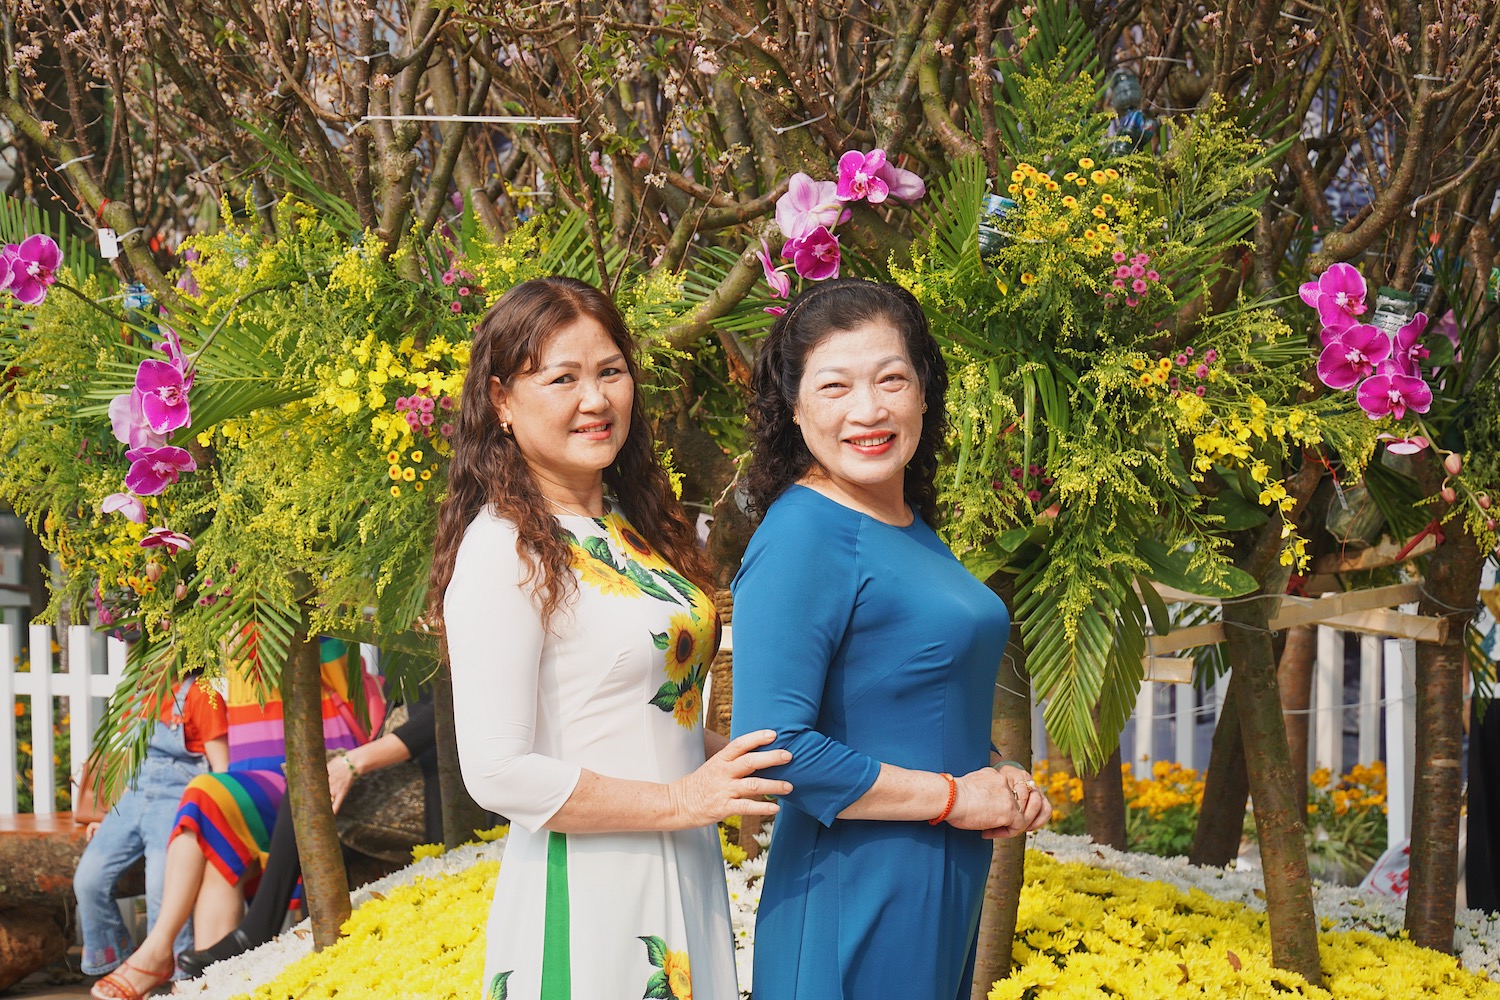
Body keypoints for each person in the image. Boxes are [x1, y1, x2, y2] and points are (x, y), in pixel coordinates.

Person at [434, 276, 788, 1000]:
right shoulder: (503, 549)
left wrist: (739, 767)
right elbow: (497, 771)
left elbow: (643, 715)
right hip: (589, 893)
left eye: (611, 372)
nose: (595, 400)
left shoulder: (632, 529)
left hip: (684, 867)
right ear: (502, 401)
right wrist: (682, 801)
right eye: (563, 378)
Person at [729, 278, 1052, 1000]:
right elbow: (773, 748)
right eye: (835, 386)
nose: (868, 410)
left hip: (937, 883)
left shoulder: (907, 525)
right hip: (854, 889)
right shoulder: (802, 535)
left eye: (891, 380)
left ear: (924, 393)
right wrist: (954, 798)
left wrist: (996, 773)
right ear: (794, 407)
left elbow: (906, 697)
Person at [90, 637, 378, 1000]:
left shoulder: (306, 619)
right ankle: (207, 987)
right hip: (250, 782)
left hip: (318, 767)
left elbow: (348, 684)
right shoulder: (219, 628)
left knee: (203, 792)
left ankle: (158, 949)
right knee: (219, 854)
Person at [175, 694, 442, 976]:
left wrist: (352, 762)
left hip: (434, 784)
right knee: (314, 818)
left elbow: (443, 710)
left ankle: (256, 931)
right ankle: (313, 960)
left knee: (310, 786)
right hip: (401, 765)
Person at [74, 675, 228, 983]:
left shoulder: (200, 695)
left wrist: (211, 819)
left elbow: (222, 769)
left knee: (162, 890)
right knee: (88, 880)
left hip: (179, 801)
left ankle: (177, 977)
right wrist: (109, 816)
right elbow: (132, 764)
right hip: (133, 800)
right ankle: (116, 965)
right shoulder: (139, 692)